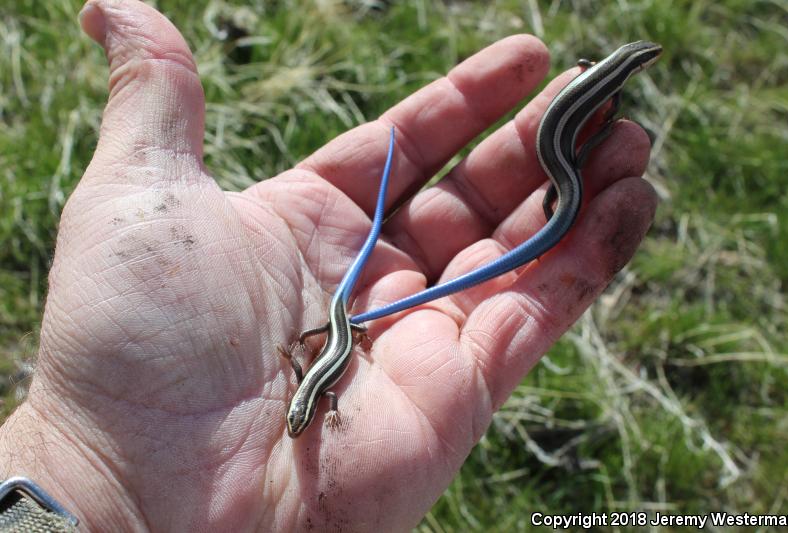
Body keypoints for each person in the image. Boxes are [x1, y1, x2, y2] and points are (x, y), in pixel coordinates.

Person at [0, 0, 657, 530]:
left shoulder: (311, 391)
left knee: (396, 275)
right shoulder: (317, 398)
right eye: (304, 417)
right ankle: (389, 231)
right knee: (386, 283)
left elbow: (306, 368)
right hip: (342, 327)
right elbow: (313, 377)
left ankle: (401, 229)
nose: (302, 422)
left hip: (341, 324)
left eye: (303, 416)